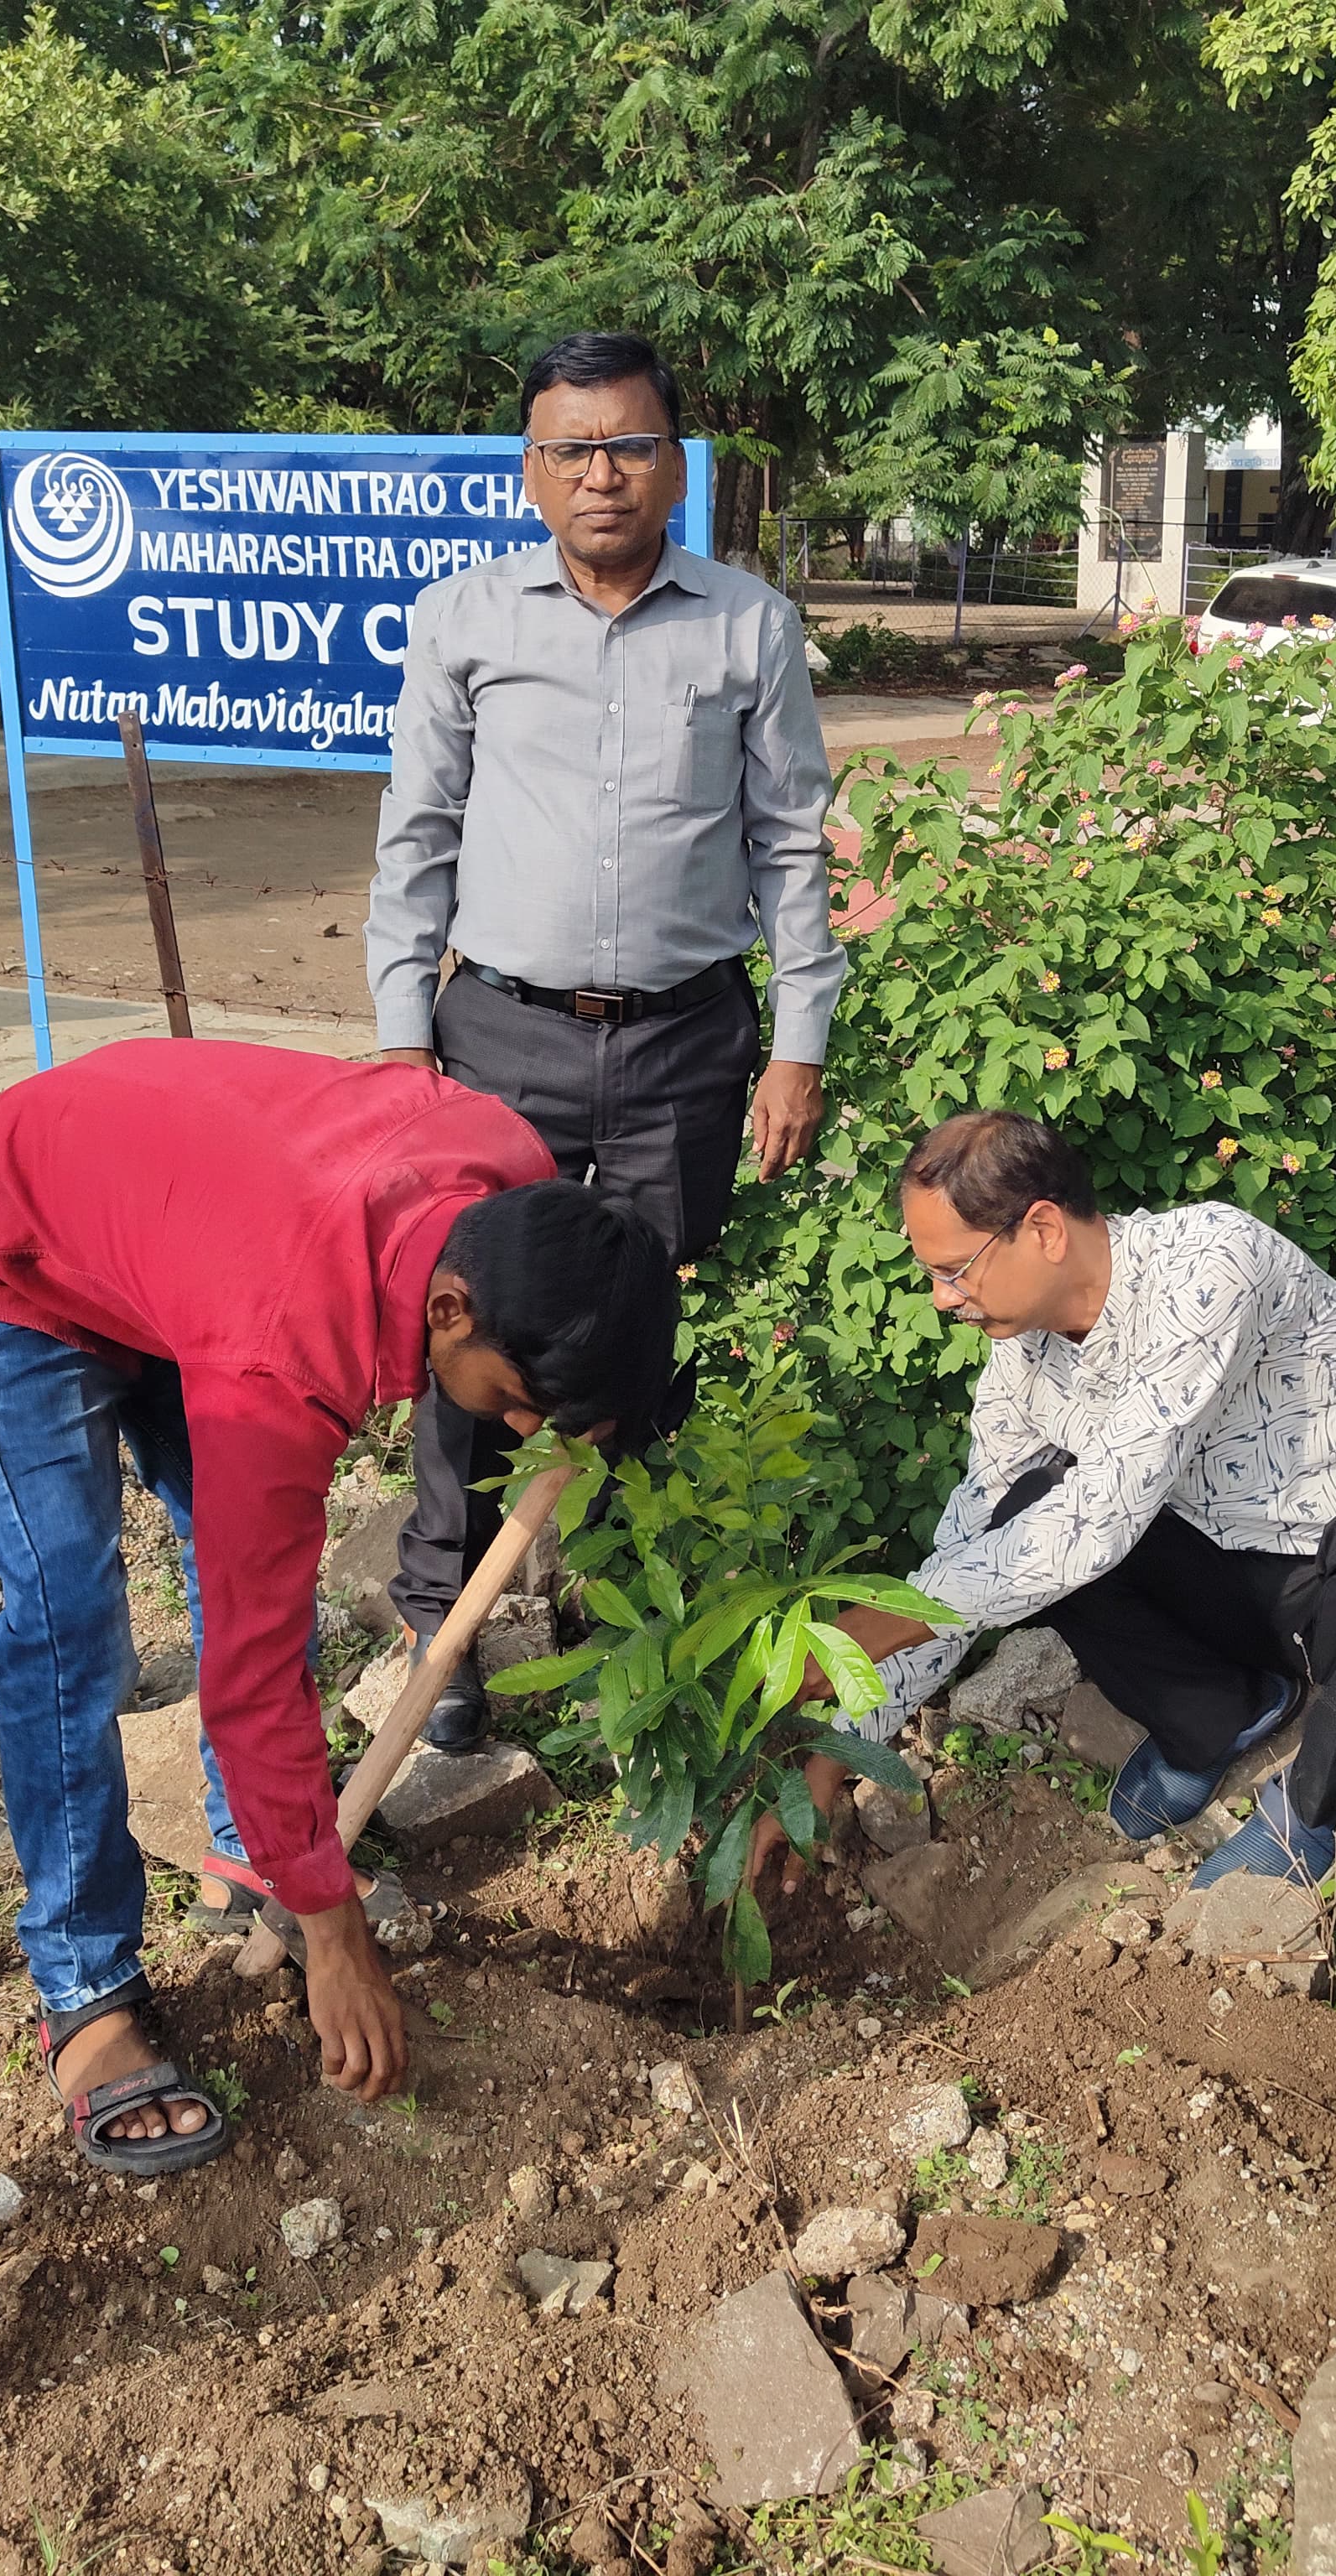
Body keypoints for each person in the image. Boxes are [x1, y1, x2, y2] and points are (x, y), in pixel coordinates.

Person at [0, 1042, 677, 2174]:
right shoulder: (277, 1352)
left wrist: (589, 1407)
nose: (518, 1431)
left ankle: (253, 1863)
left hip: (173, 1252)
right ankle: (85, 1989)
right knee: (69, 1621)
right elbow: (250, 1676)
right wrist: (337, 1925)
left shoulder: (510, 1178)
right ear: (449, 1309)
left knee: (247, 1569)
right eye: (517, 1401)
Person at [367, 329, 842, 1752]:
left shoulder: (746, 625)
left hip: (684, 1046)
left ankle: (624, 1608)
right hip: (493, 1037)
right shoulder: (465, 621)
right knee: (471, 1325)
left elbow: (794, 843)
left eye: (629, 445)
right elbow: (417, 838)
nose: (602, 475)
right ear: (529, 471)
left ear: (675, 465)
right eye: (571, 449)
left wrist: (798, 1038)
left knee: (633, 1341)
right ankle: (441, 1626)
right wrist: (402, 1040)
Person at [803, 1112, 1336, 1888]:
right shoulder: (1025, 1358)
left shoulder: (1208, 1261)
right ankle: (1218, 1717)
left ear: (1042, 1229)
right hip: (1236, 1588)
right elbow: (971, 1544)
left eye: (955, 1270)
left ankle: (1326, 1804)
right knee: (1023, 1509)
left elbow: (1098, 1518)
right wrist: (842, 1747)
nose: (943, 1299)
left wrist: (883, 1623)